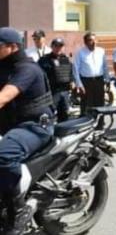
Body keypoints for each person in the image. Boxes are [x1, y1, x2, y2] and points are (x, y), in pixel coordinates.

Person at [0, 27, 54, 235]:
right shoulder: (3, 67)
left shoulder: (27, 69)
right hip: (11, 124)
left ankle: (19, 210)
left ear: (12, 47)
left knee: (4, 155)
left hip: (34, 126)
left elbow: (4, 97)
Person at [37, 38, 74, 122]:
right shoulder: (44, 60)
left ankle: (63, 133)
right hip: (52, 92)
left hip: (64, 92)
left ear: (63, 47)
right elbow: (39, 75)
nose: (58, 48)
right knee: (49, 115)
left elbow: (70, 72)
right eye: (56, 46)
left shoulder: (65, 59)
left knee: (64, 115)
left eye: (60, 46)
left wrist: (72, 81)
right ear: (52, 47)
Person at [73, 32, 109, 115]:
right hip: (86, 81)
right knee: (86, 103)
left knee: (100, 102)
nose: (93, 42)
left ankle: (100, 123)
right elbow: (76, 69)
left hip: (99, 80)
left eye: (95, 40)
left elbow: (105, 67)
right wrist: (79, 85)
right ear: (85, 42)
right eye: (90, 40)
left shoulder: (101, 51)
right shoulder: (80, 53)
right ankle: (85, 123)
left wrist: (107, 80)